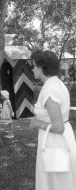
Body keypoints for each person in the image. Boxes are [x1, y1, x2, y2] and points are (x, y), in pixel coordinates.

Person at [30, 50, 76, 190]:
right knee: (61, 181)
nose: (32, 69)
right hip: (60, 141)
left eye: (33, 66)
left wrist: (37, 123)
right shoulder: (57, 84)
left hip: (55, 143)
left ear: (41, 67)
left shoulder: (50, 89)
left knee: (57, 183)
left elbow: (58, 127)